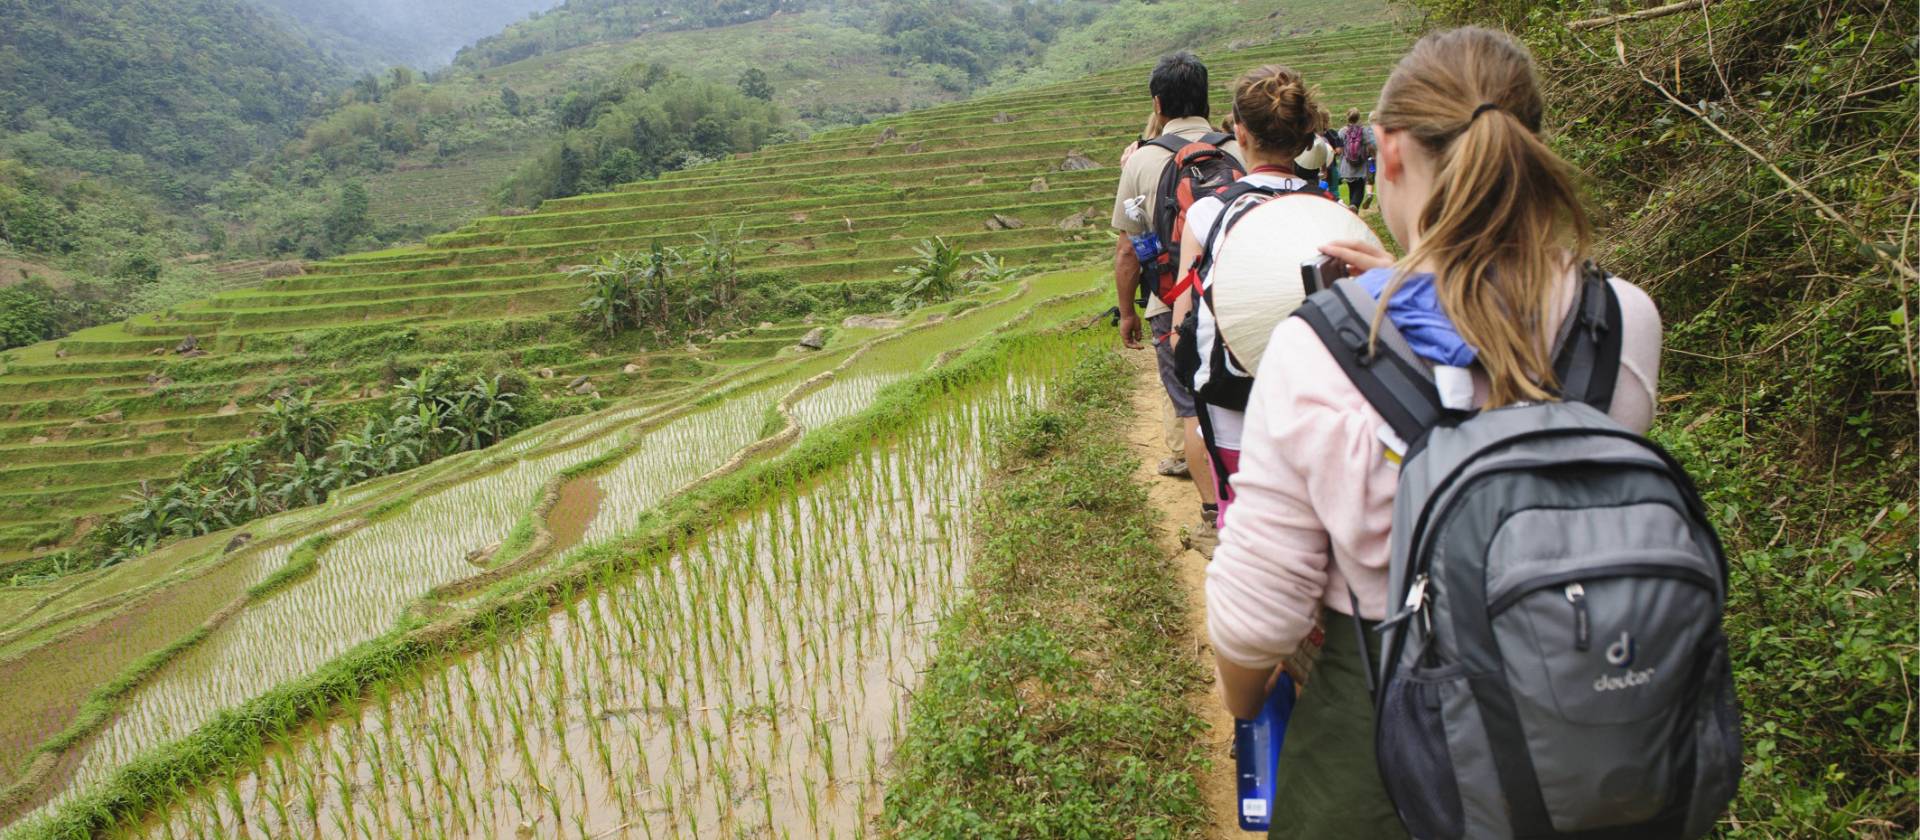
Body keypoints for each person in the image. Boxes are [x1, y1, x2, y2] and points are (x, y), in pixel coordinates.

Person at [1205, 26, 1664, 837]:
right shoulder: (1621, 318)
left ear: (1383, 153)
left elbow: (1257, 622)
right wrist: (1397, 275)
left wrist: (1252, 704)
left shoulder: (1321, 344)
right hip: (1589, 728)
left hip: (1385, 749)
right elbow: (1500, 365)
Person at [1166, 63, 1332, 526]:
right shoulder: (1327, 211)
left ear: (1239, 131)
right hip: (1311, 396)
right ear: (1303, 134)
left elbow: (1184, 321)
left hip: (1231, 391)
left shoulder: (1207, 212)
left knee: (1241, 516)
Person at [1112, 52, 1242, 549]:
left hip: (1172, 304)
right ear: (1207, 98)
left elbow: (1128, 249)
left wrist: (1128, 311)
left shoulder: (1142, 159)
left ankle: (1213, 519)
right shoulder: (1238, 148)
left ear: (1158, 103)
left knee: (1191, 410)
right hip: (1238, 297)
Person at [1335, 107, 1375, 211]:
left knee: (1351, 188)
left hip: (1347, 166)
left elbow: (1339, 149)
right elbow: (1371, 145)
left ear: (1347, 117)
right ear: (1359, 117)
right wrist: (1374, 155)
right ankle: (1354, 206)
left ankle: (1352, 207)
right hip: (1361, 166)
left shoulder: (1342, 132)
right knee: (1359, 189)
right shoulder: (1363, 131)